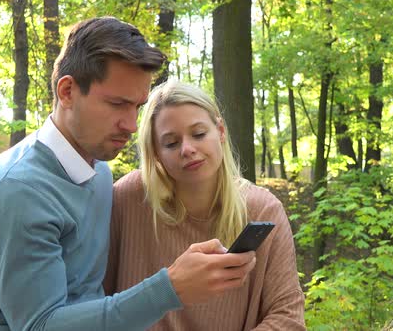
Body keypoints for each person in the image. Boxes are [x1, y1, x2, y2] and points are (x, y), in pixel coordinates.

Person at [0, 17, 256, 330]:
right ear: (67, 91)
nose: (130, 125)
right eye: (116, 104)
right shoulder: (16, 190)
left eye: (137, 107)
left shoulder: (97, 173)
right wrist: (169, 289)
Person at [103, 80, 306, 330]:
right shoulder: (127, 198)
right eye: (171, 143)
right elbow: (95, 297)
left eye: (198, 134)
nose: (187, 149)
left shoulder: (263, 209)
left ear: (220, 131)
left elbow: (288, 317)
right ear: (156, 153)